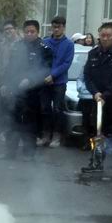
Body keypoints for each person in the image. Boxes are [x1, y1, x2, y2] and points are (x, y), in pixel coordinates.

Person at [82, 22, 112, 176]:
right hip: (98, 100)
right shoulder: (93, 53)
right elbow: (87, 75)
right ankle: (96, 162)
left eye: (108, 35)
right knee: (97, 133)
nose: (104, 38)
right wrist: (95, 93)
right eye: (102, 35)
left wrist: (105, 95)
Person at [0, 20, 53, 161]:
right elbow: (10, 67)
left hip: (34, 92)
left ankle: (29, 153)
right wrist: (4, 84)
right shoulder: (17, 46)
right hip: (15, 90)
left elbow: (46, 69)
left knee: (30, 123)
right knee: (12, 121)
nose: (29, 34)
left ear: (37, 32)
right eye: (27, 31)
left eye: (32, 32)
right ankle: (10, 152)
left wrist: (30, 79)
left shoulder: (44, 48)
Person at [39, 16, 75, 148]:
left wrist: (53, 75)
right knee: (44, 108)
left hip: (59, 82)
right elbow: (41, 60)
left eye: (59, 27)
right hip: (44, 80)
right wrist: (45, 75)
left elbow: (66, 63)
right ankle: (45, 135)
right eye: (54, 27)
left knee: (57, 109)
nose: (56, 29)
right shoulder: (45, 42)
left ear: (63, 27)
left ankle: (56, 135)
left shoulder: (69, 44)